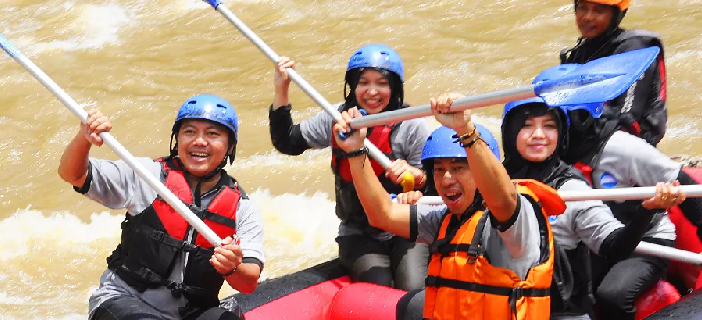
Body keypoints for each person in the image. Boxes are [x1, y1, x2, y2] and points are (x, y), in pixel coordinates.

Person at [334, 93, 566, 320]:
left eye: (458, 168)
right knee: (413, 303)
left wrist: (465, 130)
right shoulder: (445, 219)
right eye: (439, 169)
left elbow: (503, 200)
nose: (446, 179)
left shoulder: (517, 218)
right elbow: (382, 215)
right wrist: (356, 151)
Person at [58, 94, 265, 320]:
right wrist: (84, 138)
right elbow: (73, 174)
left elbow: (248, 282)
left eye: (212, 134)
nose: (199, 141)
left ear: (230, 146)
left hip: (191, 313)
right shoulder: (147, 175)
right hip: (124, 300)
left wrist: (232, 268)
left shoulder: (242, 208)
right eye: (189, 132)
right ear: (177, 139)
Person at [500, 94, 685, 319]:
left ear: (560, 133)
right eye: (527, 126)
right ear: (510, 132)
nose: (539, 135)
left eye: (549, 126)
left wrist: (648, 209)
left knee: (613, 295)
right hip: (503, 305)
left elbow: (615, 246)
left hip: (560, 312)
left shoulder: (573, 190)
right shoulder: (494, 184)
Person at [267, 44, 431, 290]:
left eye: (382, 84)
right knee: (380, 286)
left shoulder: (411, 126)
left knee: (413, 287)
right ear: (352, 86)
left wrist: (416, 177)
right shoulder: (337, 119)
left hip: (404, 229)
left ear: (394, 87)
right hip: (359, 234)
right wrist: (282, 90)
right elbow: (287, 141)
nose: (372, 91)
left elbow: (432, 183)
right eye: (363, 82)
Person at [560, 0, 667, 146]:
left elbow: (628, 119)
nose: (587, 17)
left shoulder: (636, 49)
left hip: (631, 146)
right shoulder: (580, 53)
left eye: (598, 11)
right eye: (583, 8)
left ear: (616, 15)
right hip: (590, 138)